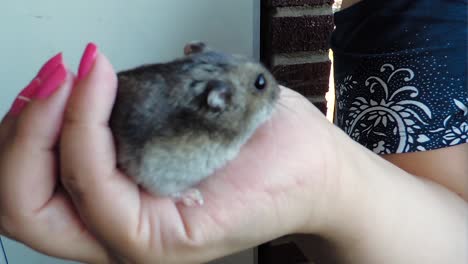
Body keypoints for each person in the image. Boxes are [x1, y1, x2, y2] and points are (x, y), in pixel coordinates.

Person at [0, 2, 466, 264]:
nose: (275, 90)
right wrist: (328, 179)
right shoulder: (417, 27)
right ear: (217, 102)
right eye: (261, 84)